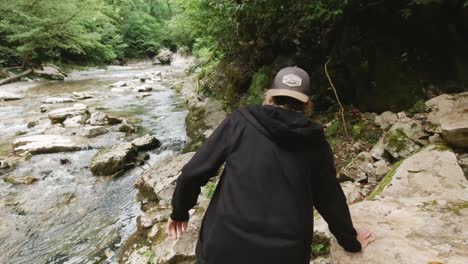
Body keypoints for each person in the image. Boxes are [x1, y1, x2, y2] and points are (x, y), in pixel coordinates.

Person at [167, 66, 373, 264]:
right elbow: (329, 198)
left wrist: (179, 211)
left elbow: (193, 173)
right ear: (306, 103)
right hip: (284, 254)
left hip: (224, 246)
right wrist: (350, 241)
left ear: (269, 96)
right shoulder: (315, 141)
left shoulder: (241, 121)